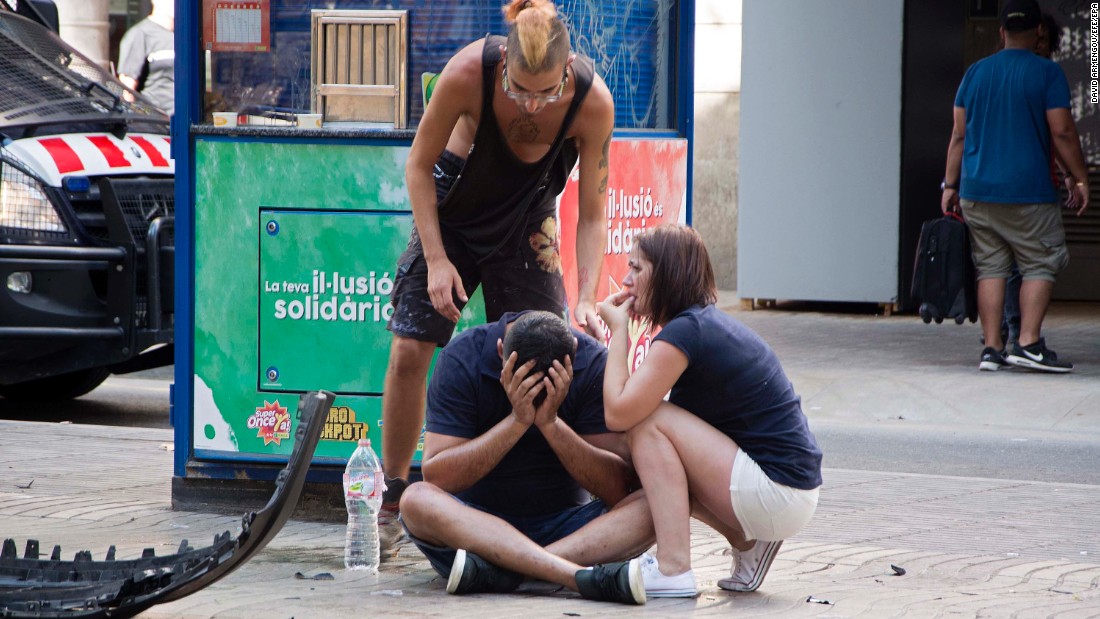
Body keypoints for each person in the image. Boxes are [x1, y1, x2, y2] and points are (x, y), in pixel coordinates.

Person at [379, 0, 615, 545]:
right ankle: (393, 497)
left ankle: (527, 498)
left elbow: (595, 213)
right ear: (504, 58)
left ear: (569, 67)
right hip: (454, 207)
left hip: (529, 218)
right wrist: (437, 260)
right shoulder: (468, 72)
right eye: (520, 89)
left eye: (546, 91)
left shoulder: (590, 102)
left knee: (540, 351)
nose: (532, 103)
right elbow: (417, 166)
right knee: (411, 347)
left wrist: (586, 295)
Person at [596, 224, 823, 597]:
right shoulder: (699, 324)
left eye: (637, 269)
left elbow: (619, 413)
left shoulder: (685, 333)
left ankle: (672, 569)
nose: (626, 279)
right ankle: (751, 546)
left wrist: (617, 331)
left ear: (666, 273)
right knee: (657, 454)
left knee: (647, 423)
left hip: (781, 492)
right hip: (790, 491)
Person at [397, 311, 653, 605]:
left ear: (572, 354)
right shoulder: (462, 357)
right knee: (416, 499)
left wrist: (551, 424)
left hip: (571, 533)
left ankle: (510, 572)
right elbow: (438, 476)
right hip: (474, 533)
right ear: (500, 352)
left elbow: (619, 488)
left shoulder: (591, 362)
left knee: (660, 500)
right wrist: (517, 422)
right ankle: (569, 574)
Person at [942, 0, 1089, 373]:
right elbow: (1061, 130)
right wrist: (1080, 176)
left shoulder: (974, 74)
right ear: (1039, 30)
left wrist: (949, 184)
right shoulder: (1046, 74)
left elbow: (959, 136)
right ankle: (1028, 343)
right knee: (1040, 262)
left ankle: (991, 349)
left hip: (977, 192)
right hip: (1028, 193)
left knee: (990, 267)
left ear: (1001, 32)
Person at [117, 0, 175, 115]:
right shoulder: (140, 34)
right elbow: (127, 88)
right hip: (156, 122)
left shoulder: (186, 35)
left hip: (184, 121)